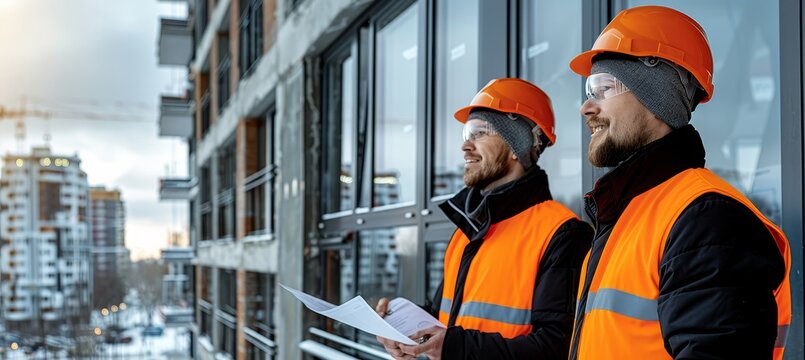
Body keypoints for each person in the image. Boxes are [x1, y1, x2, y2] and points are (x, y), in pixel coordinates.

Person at [566, 5, 792, 360]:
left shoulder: (709, 221)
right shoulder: (629, 216)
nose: (586, 107)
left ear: (657, 95)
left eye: (602, 88)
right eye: (588, 90)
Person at [375, 78, 592, 359]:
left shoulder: (563, 233)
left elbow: (555, 347)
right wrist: (402, 326)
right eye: (466, 134)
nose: (466, 146)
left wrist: (453, 347)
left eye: (479, 133)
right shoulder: (467, 231)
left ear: (517, 146)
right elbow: (447, 317)